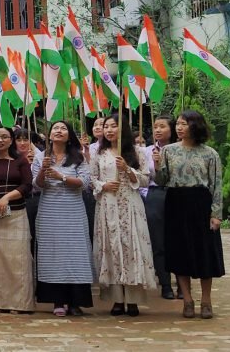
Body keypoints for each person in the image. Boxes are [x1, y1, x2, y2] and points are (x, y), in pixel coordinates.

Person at [154, 110, 224, 320]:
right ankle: (187, 300)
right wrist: (158, 165)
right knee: (179, 252)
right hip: (176, 202)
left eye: (184, 124)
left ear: (195, 126)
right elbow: (161, 181)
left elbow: (216, 184)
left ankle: (206, 301)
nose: (179, 127)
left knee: (205, 253)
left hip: (200, 203)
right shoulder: (168, 151)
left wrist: (216, 213)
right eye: (178, 124)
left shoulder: (210, 153)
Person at [92, 116, 157, 316]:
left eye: (113, 126)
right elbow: (91, 178)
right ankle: (116, 299)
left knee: (131, 246)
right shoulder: (99, 154)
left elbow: (146, 179)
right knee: (111, 248)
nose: (109, 130)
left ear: (123, 129)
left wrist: (127, 170)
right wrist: (103, 185)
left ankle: (133, 299)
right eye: (106, 127)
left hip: (130, 205)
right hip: (107, 205)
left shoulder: (136, 152)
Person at [33, 120, 94, 317]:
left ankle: (76, 301)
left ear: (70, 135)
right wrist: (43, 169)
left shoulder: (78, 158)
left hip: (73, 212)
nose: (59, 131)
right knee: (53, 254)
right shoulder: (41, 156)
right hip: (50, 211)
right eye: (55, 128)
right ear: (49, 134)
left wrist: (61, 177)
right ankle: (57, 300)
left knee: (75, 253)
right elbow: (38, 185)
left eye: (63, 128)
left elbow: (84, 183)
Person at [0, 124, 34, 313]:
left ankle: (20, 303)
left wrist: (7, 197)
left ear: (11, 140)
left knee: (18, 260)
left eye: (4, 137)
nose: (0, 140)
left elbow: (28, 185)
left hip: (16, 215)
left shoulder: (20, 161)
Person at [146, 115, 177, 299]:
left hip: (176, 193)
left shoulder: (180, 150)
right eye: (155, 126)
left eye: (162, 126)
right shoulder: (146, 151)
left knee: (178, 238)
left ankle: (182, 282)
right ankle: (165, 284)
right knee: (158, 240)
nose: (158, 130)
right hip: (156, 195)